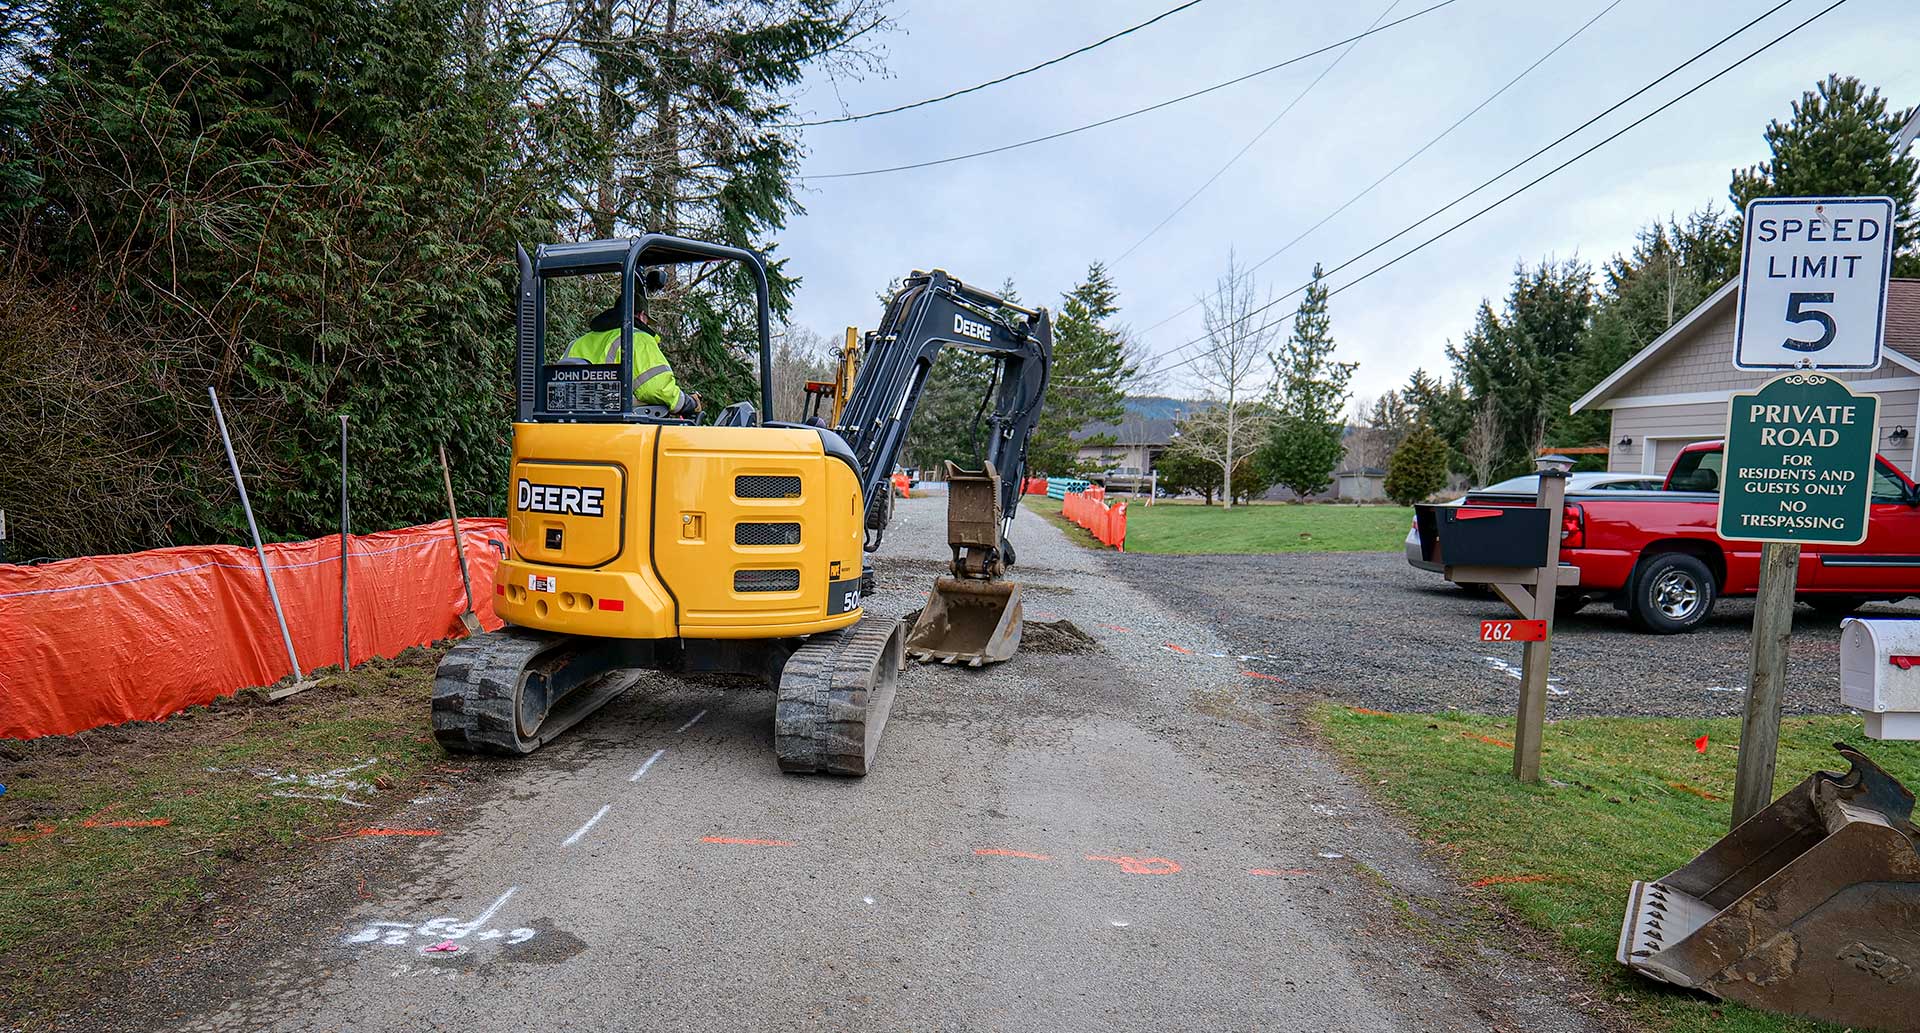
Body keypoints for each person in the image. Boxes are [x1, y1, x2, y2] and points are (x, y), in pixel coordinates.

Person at [565, 303, 701, 416]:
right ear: (642, 315)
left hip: (572, 424)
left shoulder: (577, 343)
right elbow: (656, 389)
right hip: (616, 427)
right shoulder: (638, 338)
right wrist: (687, 403)